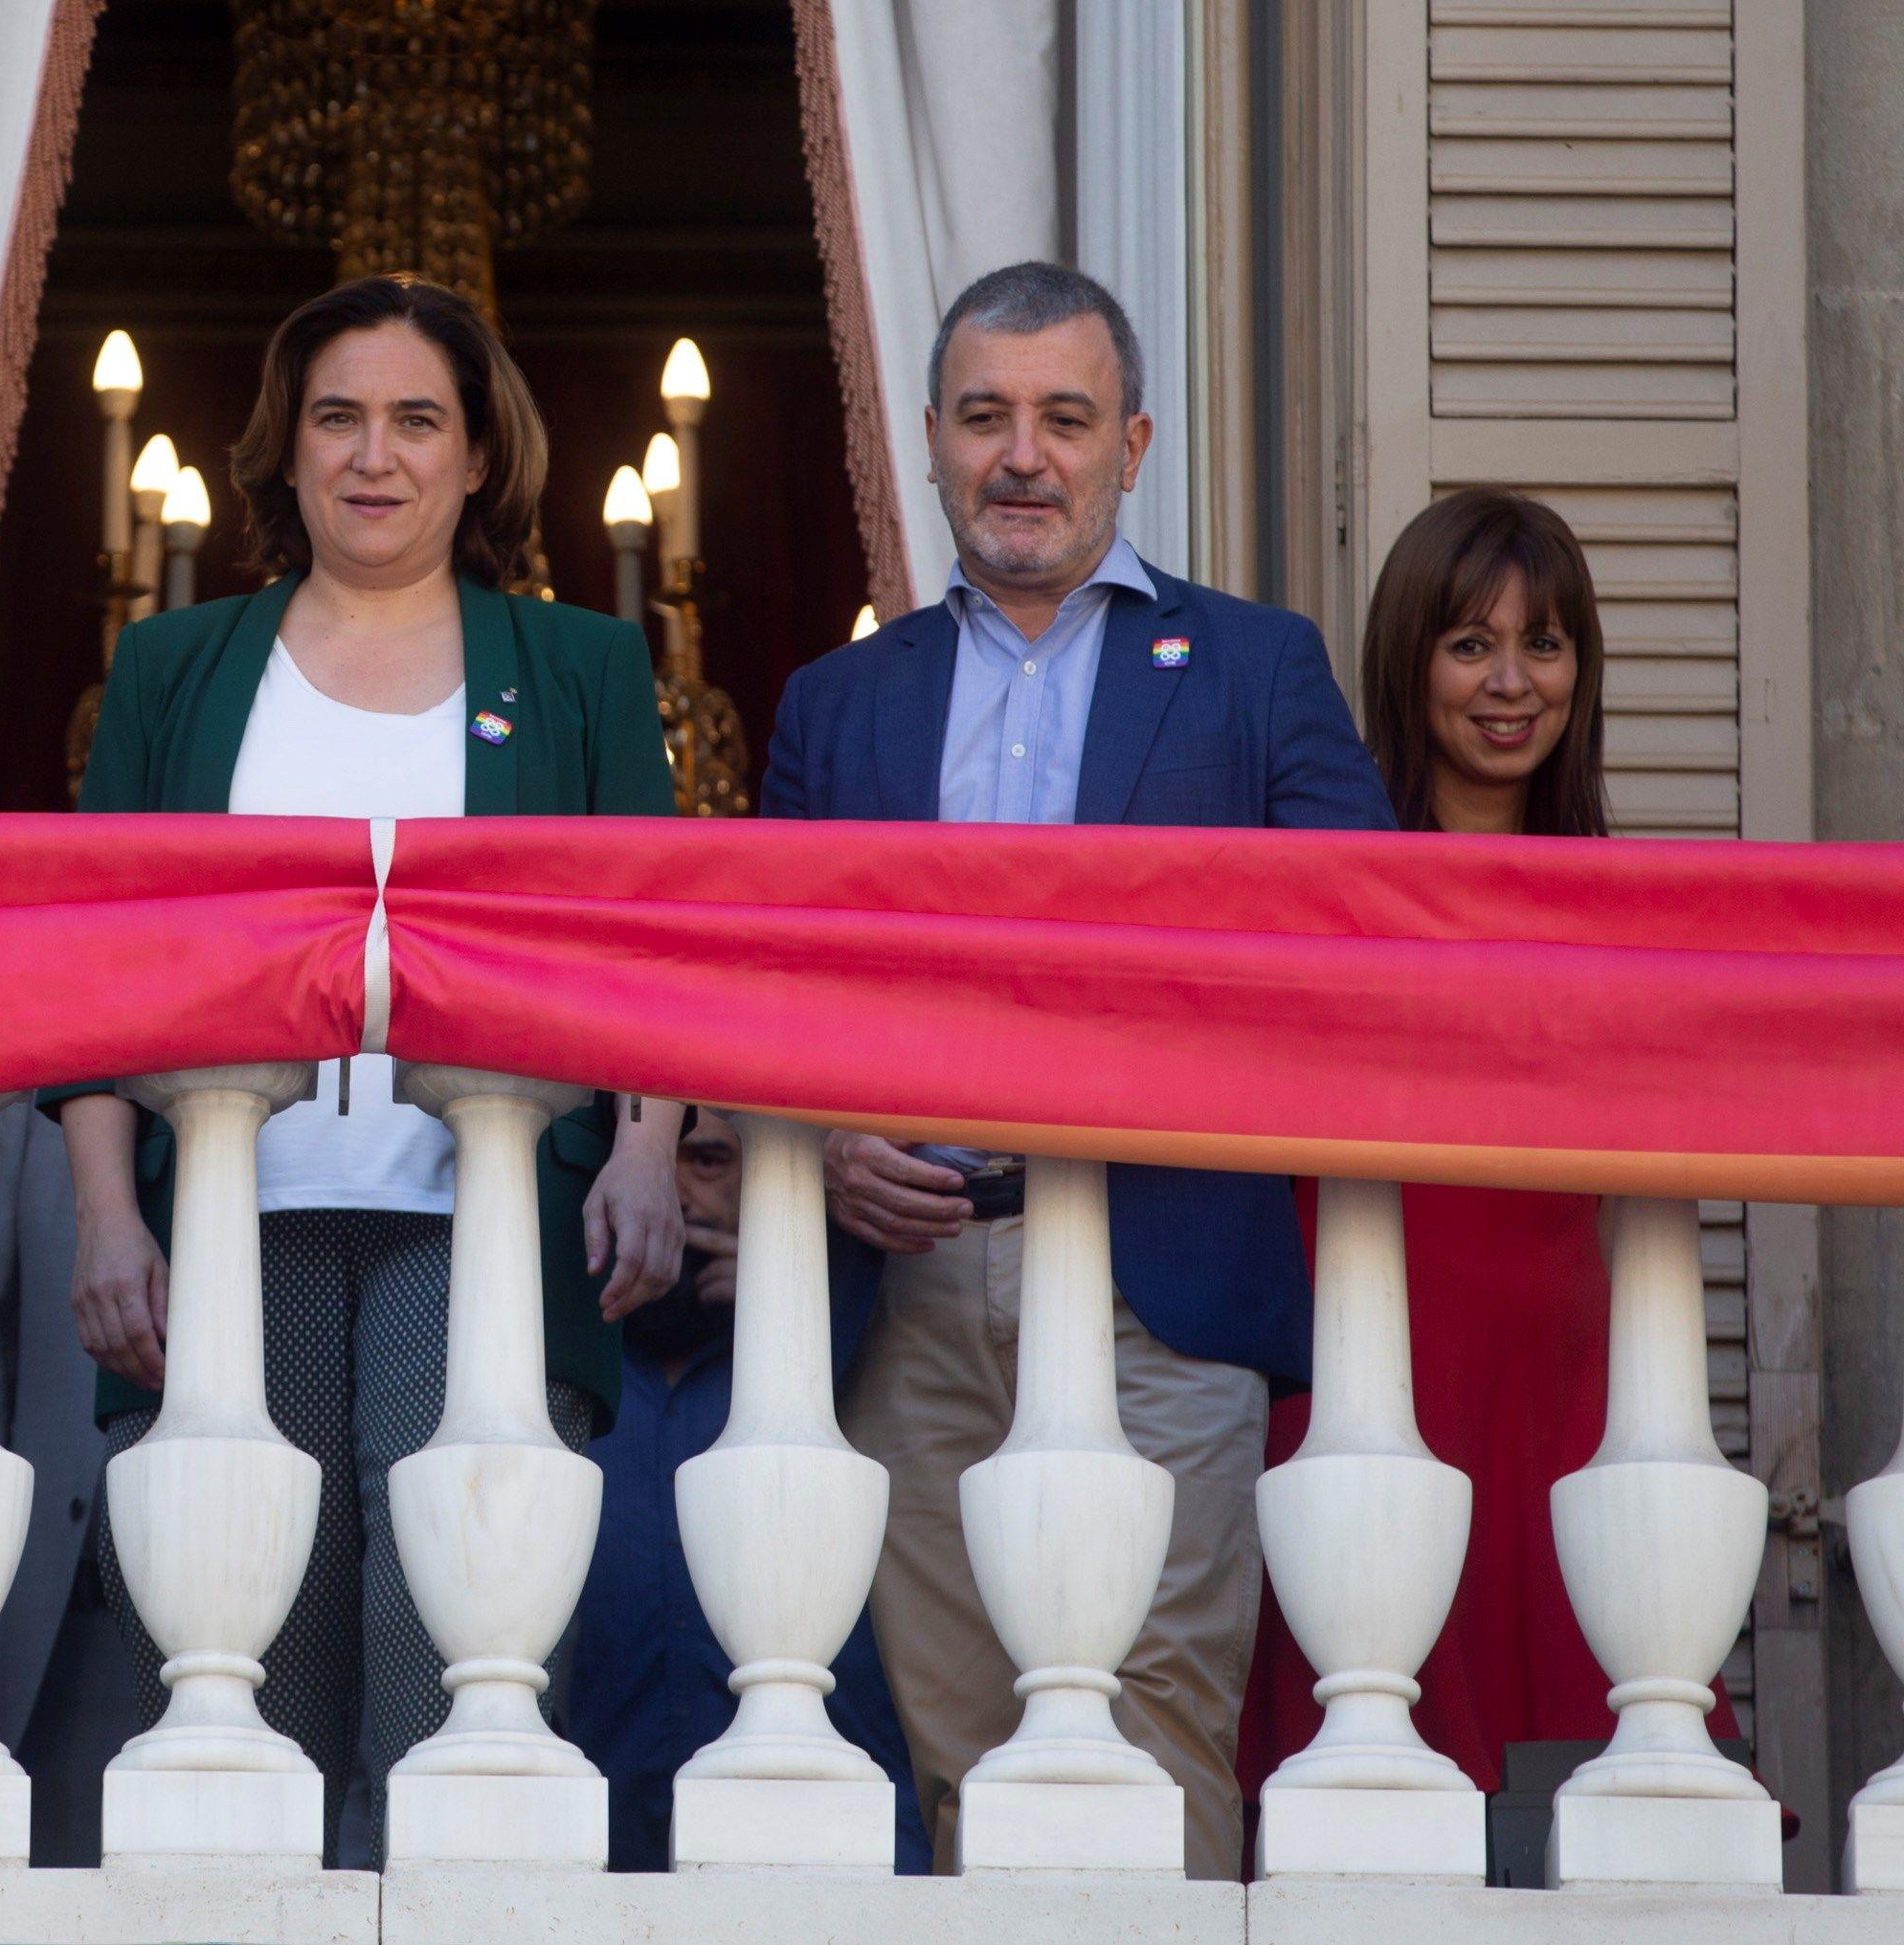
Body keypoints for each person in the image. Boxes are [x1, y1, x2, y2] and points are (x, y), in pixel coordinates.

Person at [759, 260, 1396, 1879]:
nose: (1021, 456)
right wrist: (830, 1141)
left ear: (1134, 442)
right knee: (957, 1741)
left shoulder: (1256, 671)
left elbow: (1362, 952)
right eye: (984, 418)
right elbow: (757, 999)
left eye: (1062, 418)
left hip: (1159, 1286)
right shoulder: (837, 704)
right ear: (927, 440)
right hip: (909, 1301)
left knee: (1162, 1717)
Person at [52, 272, 684, 1861]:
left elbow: (647, 940)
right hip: (224, 1213)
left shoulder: (582, 670)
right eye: (338, 416)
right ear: (286, 446)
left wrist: (645, 1146)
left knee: (442, 1637)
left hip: (473, 1223)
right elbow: (87, 970)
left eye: (417, 420)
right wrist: (102, 1213)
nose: (373, 456)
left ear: (479, 457)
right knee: (239, 1645)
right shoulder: (175, 670)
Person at [1235, 487, 1738, 1814]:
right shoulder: (1325, 893)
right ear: (1409, 663)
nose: (1512, 683)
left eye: (1546, 643)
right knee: (1370, 1759)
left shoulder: (1630, 908)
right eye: (1470, 644)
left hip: (1572, 1372)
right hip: (1370, 1347)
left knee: (1594, 1766)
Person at [559, 1119, 930, 1872]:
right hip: (601, 1871)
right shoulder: (569, 1390)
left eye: (708, 1161)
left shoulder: (836, 1346)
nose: (678, 1197)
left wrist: (779, 1277)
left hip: (822, 1855)